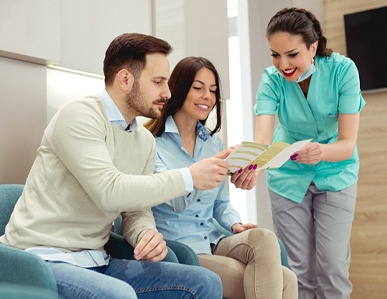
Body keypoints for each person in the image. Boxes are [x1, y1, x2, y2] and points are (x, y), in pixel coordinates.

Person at [0, 33, 228, 299]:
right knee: (119, 295)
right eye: (158, 82)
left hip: (97, 260)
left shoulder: (143, 140)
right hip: (42, 260)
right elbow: (110, 191)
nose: (167, 92)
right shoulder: (79, 117)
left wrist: (145, 233)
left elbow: (135, 210)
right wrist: (189, 177)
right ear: (125, 79)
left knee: (205, 282)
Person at [146, 56, 298, 299]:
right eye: (198, 88)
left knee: (264, 238)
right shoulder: (152, 144)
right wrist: (207, 170)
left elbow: (220, 203)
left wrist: (235, 224)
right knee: (284, 281)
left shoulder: (213, 142)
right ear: (179, 89)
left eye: (213, 90)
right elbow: (176, 200)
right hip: (182, 248)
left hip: (215, 240)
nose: (207, 96)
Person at [253, 8, 365, 299]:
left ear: (313, 46)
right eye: (275, 55)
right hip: (288, 178)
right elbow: (263, 139)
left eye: (292, 54)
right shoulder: (271, 79)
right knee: (297, 272)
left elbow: (347, 144)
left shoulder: (343, 71)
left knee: (333, 268)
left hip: (336, 173)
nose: (283, 64)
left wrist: (320, 151)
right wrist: (251, 167)